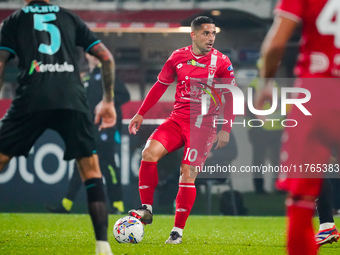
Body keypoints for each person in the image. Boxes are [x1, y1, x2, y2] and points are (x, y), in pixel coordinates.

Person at [0, 1, 116, 254]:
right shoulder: (69, 17)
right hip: (71, 98)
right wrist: (108, 102)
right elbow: (106, 57)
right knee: (91, 170)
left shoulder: (14, 20)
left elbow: (0, 63)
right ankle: (103, 245)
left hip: (33, 96)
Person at [128, 16, 236, 244]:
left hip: (203, 127)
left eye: (213, 33)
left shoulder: (222, 62)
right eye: (206, 33)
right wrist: (141, 112)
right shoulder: (178, 57)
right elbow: (160, 85)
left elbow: (230, 97)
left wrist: (225, 127)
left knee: (187, 175)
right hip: (177, 121)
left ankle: (177, 232)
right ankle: (146, 209)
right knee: (148, 153)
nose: (211, 38)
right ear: (193, 35)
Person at [255, 0, 340, 254]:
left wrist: (265, 81)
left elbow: (277, 42)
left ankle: (324, 225)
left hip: (317, 92)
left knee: (301, 195)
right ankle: (327, 225)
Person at [46, 54, 130, 214]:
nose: (95, 55)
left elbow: (125, 95)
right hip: (86, 129)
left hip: (104, 129)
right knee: (80, 165)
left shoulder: (107, 75)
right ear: (86, 55)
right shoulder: (85, 78)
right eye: (91, 52)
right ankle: (66, 204)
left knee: (108, 167)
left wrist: (106, 102)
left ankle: (117, 205)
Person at [247, 62, 283, 194]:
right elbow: (250, 109)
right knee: (259, 160)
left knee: (278, 160)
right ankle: (259, 187)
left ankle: (278, 186)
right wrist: (257, 126)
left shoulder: (275, 84)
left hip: (277, 129)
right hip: (259, 130)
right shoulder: (255, 85)